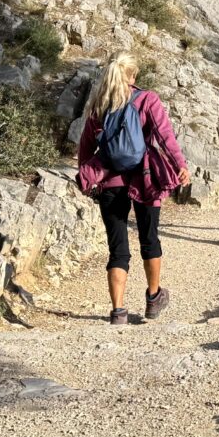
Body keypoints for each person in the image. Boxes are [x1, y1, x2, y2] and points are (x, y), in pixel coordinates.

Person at [78, 53, 190, 325]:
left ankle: (118, 312)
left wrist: (87, 175)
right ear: (132, 76)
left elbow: (85, 146)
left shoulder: (99, 105)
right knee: (149, 239)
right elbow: (165, 136)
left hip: (110, 183)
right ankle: (153, 298)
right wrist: (180, 166)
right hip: (146, 180)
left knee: (118, 249)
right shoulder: (146, 99)